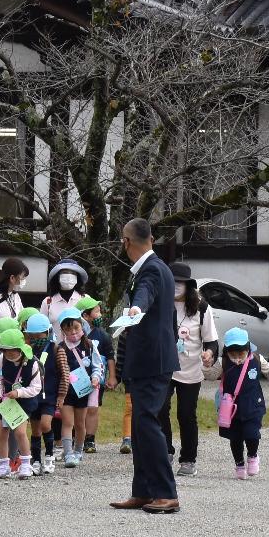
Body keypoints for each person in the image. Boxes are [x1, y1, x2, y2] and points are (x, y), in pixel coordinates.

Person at [110, 218, 181, 515]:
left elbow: (144, 295)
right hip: (152, 359)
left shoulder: (151, 270)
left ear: (127, 242)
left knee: (148, 424)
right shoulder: (161, 267)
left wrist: (136, 308)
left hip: (152, 362)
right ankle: (143, 491)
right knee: (140, 427)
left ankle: (166, 492)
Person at [168, 264, 220, 477]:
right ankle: (165, 452)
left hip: (190, 371)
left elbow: (212, 341)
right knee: (160, 410)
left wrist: (209, 354)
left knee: (186, 414)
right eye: (173, 282)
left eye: (180, 283)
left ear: (189, 285)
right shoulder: (161, 303)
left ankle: (188, 459)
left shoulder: (201, 308)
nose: (176, 287)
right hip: (165, 367)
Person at [217, 327, 269, 478]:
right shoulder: (222, 363)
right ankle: (239, 464)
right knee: (235, 438)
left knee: (252, 434)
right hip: (232, 410)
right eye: (233, 355)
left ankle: (253, 456)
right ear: (226, 351)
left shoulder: (256, 359)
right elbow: (209, 374)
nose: (237, 359)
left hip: (253, 405)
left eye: (240, 354)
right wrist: (206, 364)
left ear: (248, 348)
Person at [54, 307, 102, 467]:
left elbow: (97, 365)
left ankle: (78, 451)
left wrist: (95, 378)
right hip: (66, 391)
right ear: (62, 330)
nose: (73, 332)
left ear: (82, 325)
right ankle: (68, 454)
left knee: (80, 423)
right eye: (68, 329)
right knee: (68, 423)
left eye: (76, 327)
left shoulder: (89, 345)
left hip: (83, 391)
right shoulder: (59, 348)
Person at [0, 327, 37, 479]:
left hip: (23, 401)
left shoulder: (32, 362)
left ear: (20, 348)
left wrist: (19, 393)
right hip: (5, 401)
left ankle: (25, 464)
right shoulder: (1, 358)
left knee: (20, 432)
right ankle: (4, 465)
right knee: (2, 433)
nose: (9, 354)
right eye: (5, 350)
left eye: (13, 350)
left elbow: (36, 388)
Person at [23, 312, 59, 475]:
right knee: (35, 430)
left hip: (50, 396)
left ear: (48, 332)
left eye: (40, 335)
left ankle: (50, 456)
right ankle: (36, 459)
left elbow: (63, 372)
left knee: (46, 425)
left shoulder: (56, 349)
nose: (37, 338)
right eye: (33, 335)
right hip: (33, 396)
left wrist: (62, 395)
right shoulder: (26, 351)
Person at [77, 296, 114, 453]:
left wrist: (112, 376)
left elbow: (110, 356)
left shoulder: (102, 335)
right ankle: (75, 437)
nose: (100, 315)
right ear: (85, 316)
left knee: (93, 408)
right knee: (77, 408)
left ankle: (90, 439)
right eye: (96, 312)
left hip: (96, 378)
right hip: (77, 377)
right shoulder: (75, 334)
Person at [41, 258, 89, 326]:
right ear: (57, 277)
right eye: (65, 272)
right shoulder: (48, 302)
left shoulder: (85, 299)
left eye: (73, 273)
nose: (69, 276)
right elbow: (42, 328)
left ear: (77, 277)